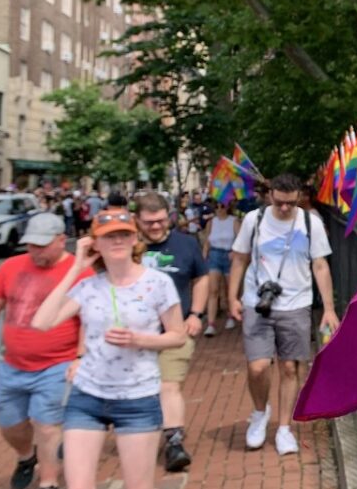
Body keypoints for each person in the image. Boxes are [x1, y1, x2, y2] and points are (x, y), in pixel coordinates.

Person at [32, 210, 186, 489]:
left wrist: (141, 340)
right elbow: (41, 321)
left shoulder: (158, 283)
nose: (116, 241)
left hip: (137, 398)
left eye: (123, 234)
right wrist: (75, 267)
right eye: (108, 236)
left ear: (134, 240)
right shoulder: (87, 287)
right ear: (95, 242)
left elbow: (178, 336)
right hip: (88, 397)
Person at [228, 173, 338, 455]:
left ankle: (284, 428)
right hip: (257, 303)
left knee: (290, 367)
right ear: (270, 195)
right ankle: (259, 412)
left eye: (291, 203)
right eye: (279, 203)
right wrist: (232, 297)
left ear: (299, 197)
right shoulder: (255, 220)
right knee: (258, 366)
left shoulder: (311, 223)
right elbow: (239, 259)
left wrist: (328, 308)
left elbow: (321, 266)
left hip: (296, 304)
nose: (285, 208)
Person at [0, 214, 90, 489]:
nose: (35, 251)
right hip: (12, 364)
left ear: (61, 239)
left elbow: (87, 319)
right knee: (10, 423)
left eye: (42, 246)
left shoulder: (80, 272)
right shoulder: (11, 267)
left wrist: (79, 357)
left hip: (55, 364)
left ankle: (48, 485)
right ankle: (25, 456)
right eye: (31, 245)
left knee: (47, 425)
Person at [135, 191, 210, 472]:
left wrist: (196, 314)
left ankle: (174, 442)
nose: (155, 227)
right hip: (134, 335)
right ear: (137, 221)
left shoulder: (186, 243)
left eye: (160, 220)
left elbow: (200, 278)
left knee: (169, 385)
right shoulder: (127, 247)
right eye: (148, 222)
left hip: (175, 330)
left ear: (169, 217)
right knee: (141, 390)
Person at [202, 200, 240, 337]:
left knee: (229, 288)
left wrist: (235, 251)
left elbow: (241, 239)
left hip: (229, 255)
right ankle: (211, 324)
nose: (219, 209)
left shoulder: (233, 221)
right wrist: (204, 256)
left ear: (228, 206)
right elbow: (207, 241)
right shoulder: (211, 222)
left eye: (222, 206)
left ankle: (230, 315)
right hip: (215, 254)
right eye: (216, 206)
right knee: (213, 290)